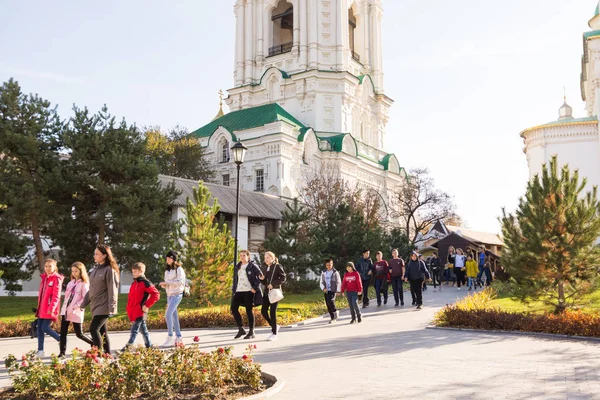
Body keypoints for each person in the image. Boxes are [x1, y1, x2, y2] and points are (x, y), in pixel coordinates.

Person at [80, 244, 119, 355]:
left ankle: (99, 355)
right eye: (94, 253)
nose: (94, 256)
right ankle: (108, 355)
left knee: (93, 329)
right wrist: (83, 304)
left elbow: (113, 290)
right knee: (103, 332)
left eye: (97, 254)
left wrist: (112, 307)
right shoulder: (96, 270)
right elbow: (91, 289)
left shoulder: (109, 270)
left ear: (105, 255)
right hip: (96, 306)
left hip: (104, 306)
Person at [58, 262, 94, 359]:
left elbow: (86, 297)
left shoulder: (84, 284)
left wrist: (77, 306)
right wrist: (63, 309)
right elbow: (67, 297)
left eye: (76, 271)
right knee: (63, 333)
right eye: (72, 271)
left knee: (79, 334)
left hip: (76, 311)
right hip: (66, 311)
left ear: (81, 271)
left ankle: (93, 343)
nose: (74, 273)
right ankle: (62, 353)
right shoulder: (70, 283)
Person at [122, 262, 160, 351]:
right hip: (134, 310)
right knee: (144, 330)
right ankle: (149, 346)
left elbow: (156, 294)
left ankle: (128, 347)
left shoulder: (146, 283)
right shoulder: (134, 283)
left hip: (140, 311)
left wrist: (147, 305)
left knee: (134, 331)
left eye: (135, 271)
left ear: (141, 271)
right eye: (132, 271)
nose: (133, 273)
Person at [231, 250, 264, 340]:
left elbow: (261, 277)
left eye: (244, 255)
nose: (242, 257)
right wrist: (234, 289)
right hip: (238, 291)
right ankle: (241, 329)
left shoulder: (252, 266)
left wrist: (255, 288)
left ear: (248, 257)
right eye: (240, 255)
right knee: (233, 308)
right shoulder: (238, 266)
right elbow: (236, 279)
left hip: (248, 291)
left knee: (248, 310)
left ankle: (251, 331)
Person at [35, 259, 64, 358]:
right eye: (46, 266)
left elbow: (56, 295)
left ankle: (61, 340)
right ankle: (40, 350)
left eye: (50, 266)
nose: (47, 268)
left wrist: (52, 307)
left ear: (55, 267)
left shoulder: (56, 278)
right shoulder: (44, 278)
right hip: (41, 308)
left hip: (49, 308)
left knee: (45, 327)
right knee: (39, 329)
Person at [159, 250, 186, 347]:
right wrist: (164, 285)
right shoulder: (167, 270)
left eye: (169, 258)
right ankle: (178, 337)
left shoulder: (179, 269)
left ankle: (170, 337)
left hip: (177, 294)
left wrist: (168, 283)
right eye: (167, 258)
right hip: (169, 295)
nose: (167, 259)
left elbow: (180, 282)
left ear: (174, 259)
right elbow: (168, 283)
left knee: (168, 314)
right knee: (174, 317)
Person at [259, 251, 286, 341]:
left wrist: (273, 284)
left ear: (273, 258)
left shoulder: (277, 266)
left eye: (268, 257)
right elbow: (264, 282)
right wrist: (261, 279)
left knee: (272, 312)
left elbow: (283, 278)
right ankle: (275, 326)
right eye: (265, 258)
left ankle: (274, 334)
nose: (266, 259)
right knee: (263, 311)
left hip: (274, 292)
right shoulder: (265, 268)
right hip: (267, 292)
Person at [319, 259, 341, 323]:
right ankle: (332, 318)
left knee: (331, 301)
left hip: (332, 290)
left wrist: (338, 290)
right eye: (327, 265)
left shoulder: (335, 272)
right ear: (325, 265)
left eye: (330, 265)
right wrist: (323, 288)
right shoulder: (323, 272)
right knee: (328, 304)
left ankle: (335, 311)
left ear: (332, 264)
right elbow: (321, 281)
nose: (329, 266)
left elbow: (338, 282)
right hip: (326, 290)